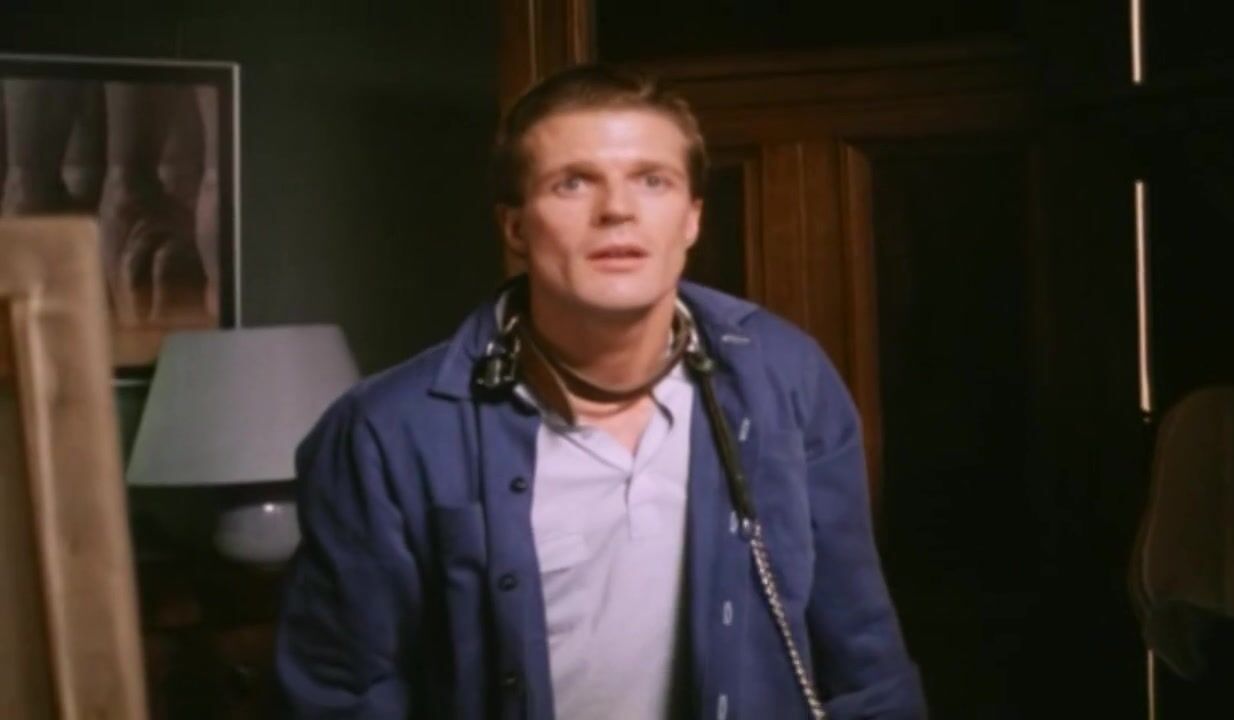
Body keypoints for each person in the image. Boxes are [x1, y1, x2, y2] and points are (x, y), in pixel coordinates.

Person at [276, 64, 925, 719]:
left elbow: (863, 656)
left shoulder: (784, 375)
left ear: (692, 219)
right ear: (515, 228)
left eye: (652, 180)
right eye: (573, 182)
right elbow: (340, 695)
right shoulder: (388, 430)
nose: (617, 210)